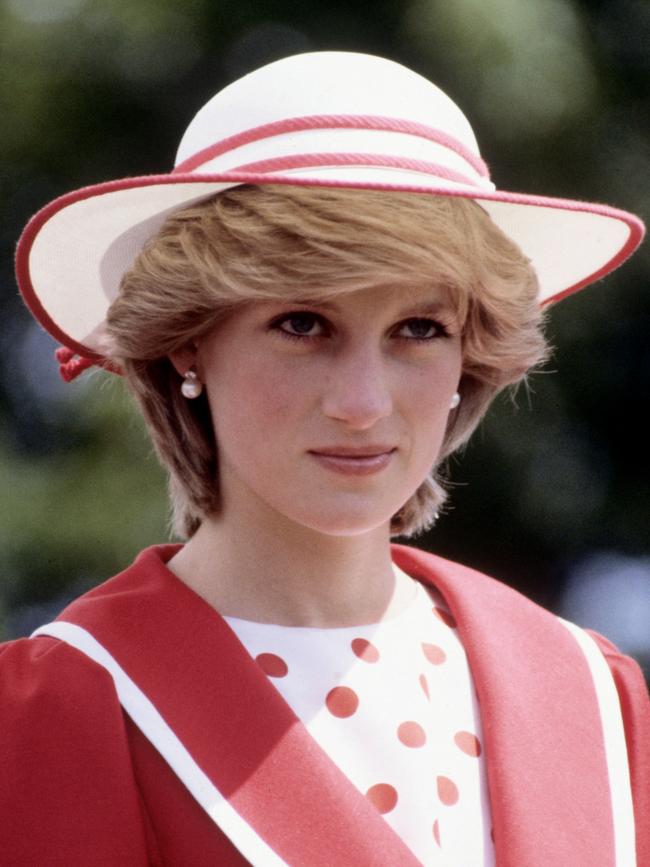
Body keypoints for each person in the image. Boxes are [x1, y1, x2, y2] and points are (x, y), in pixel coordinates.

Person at [2, 51, 648, 867]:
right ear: (188, 347)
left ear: (470, 361)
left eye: (420, 328)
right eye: (304, 324)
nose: (364, 401)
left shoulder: (588, 689)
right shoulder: (55, 706)